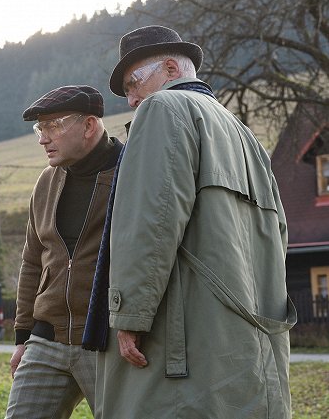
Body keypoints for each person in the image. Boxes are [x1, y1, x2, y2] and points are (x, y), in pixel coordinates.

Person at [83, 25, 297, 418]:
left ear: (169, 67)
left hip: (180, 345)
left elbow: (151, 221)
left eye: (133, 84)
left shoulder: (164, 109)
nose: (131, 100)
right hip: (243, 342)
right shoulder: (245, 135)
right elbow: (278, 233)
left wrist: (129, 313)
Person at [5, 85, 123, 418]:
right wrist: (22, 335)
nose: (43, 137)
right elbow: (31, 261)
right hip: (46, 340)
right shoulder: (46, 181)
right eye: (39, 128)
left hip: (106, 339)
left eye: (53, 125)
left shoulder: (130, 173)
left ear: (89, 126)